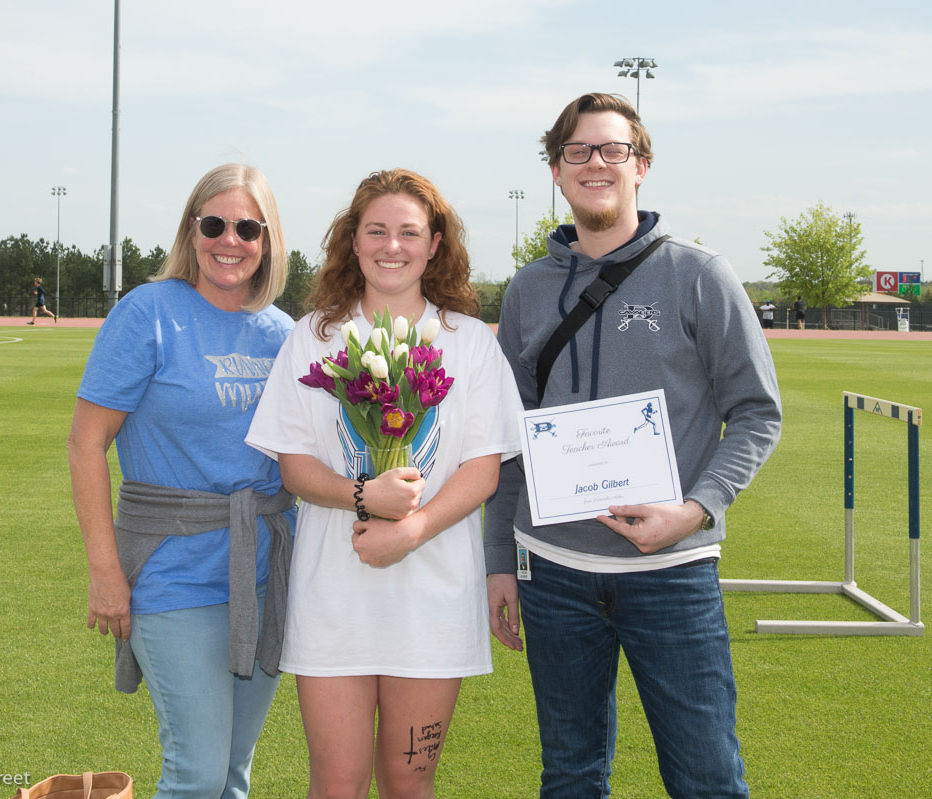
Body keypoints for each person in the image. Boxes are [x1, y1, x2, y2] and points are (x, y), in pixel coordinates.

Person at [485, 93, 782, 799]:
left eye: (612, 149)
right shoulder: (528, 291)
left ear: (640, 165)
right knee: (572, 775)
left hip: (671, 572)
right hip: (552, 572)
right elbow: (508, 439)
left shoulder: (699, 274)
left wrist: (697, 508)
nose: (596, 163)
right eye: (578, 151)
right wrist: (500, 561)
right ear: (557, 171)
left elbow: (757, 412)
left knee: (706, 775)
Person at [245, 168, 522, 799]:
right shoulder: (312, 337)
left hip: (431, 602)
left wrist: (413, 529)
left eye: (408, 232)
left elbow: (482, 469)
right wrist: (365, 498)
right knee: (336, 783)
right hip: (332, 600)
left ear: (434, 245)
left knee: (408, 779)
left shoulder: (471, 342)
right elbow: (295, 465)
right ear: (352, 242)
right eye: (375, 231)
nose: (391, 245)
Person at [68, 163, 296, 799]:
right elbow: (86, 443)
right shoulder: (147, 313)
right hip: (173, 572)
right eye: (215, 224)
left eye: (247, 227)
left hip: (262, 571)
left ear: (268, 239)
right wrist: (106, 571)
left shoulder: (284, 333)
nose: (231, 240)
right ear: (191, 230)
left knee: (230, 772)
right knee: (195, 773)